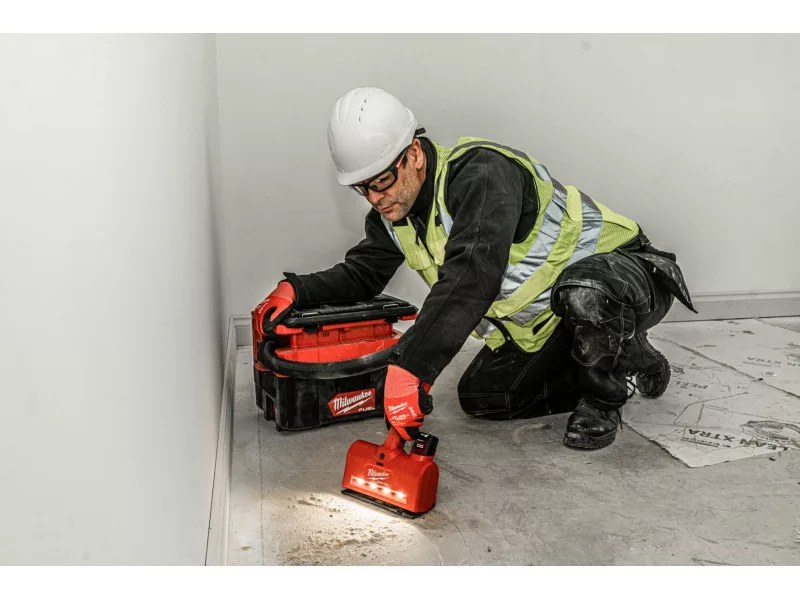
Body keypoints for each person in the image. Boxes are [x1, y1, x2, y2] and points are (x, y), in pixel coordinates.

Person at [255, 87, 695, 450]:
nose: (374, 197)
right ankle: (624, 355)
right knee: (484, 396)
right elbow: (362, 274)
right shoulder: (395, 214)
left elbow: (473, 276)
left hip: (627, 274)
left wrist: (412, 367)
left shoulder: (481, 173)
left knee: (585, 293)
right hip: (553, 320)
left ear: (414, 154)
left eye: (382, 181)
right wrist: (297, 290)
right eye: (361, 188)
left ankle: (604, 397)